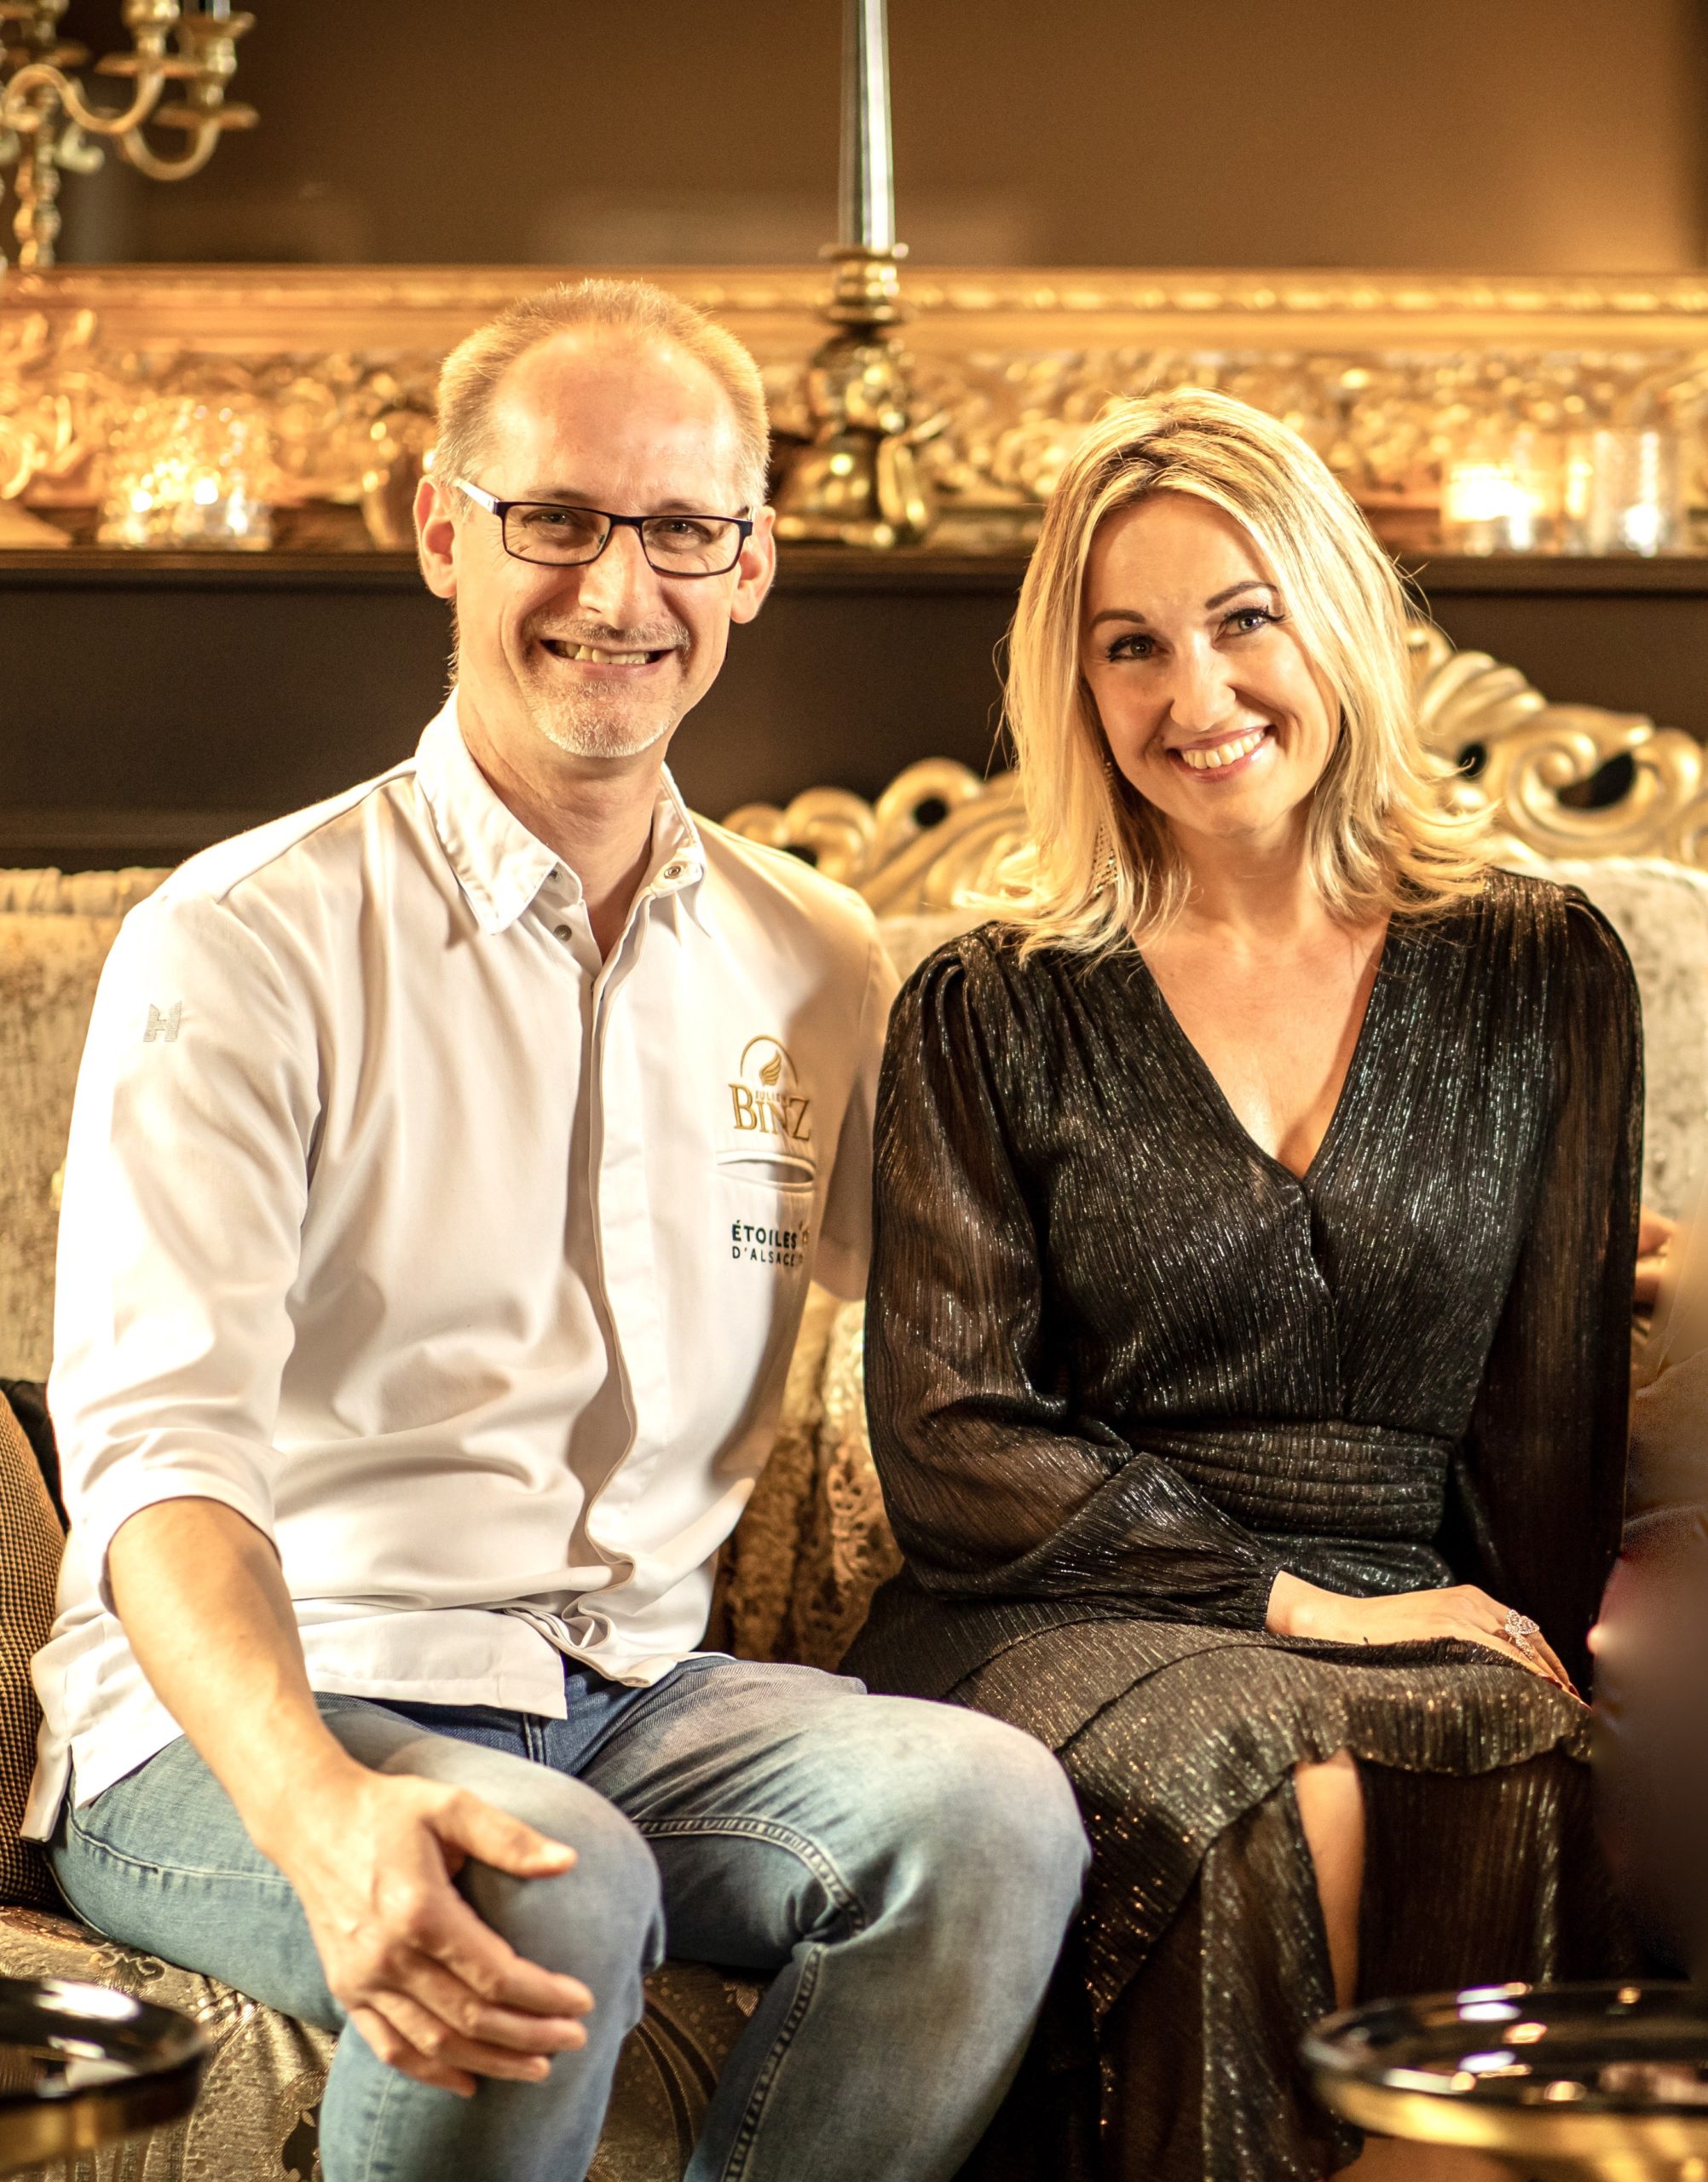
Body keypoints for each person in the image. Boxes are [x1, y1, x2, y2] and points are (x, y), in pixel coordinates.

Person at [24, 279, 1089, 2182]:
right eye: (558, 518)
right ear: (445, 531)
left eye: (679, 528)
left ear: (752, 563)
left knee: (991, 1819)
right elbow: (157, 1463)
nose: (619, 588)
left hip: (641, 1697)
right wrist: (322, 1808)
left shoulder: (817, 953)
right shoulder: (245, 938)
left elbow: (998, 1300)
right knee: (549, 1880)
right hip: (256, 1710)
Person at [845, 387, 1639, 2182]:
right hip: (1058, 1601)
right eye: (1131, 645)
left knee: (1524, 1762)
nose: (1195, 695)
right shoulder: (993, 1003)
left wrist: (1539, 1647)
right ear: (1077, 686)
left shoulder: (1544, 970)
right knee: (1273, 1774)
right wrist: (1295, 1605)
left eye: (1242, 618)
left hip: (1412, 1586)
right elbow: (954, 1441)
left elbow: (1551, 1410)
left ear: (1335, 618)